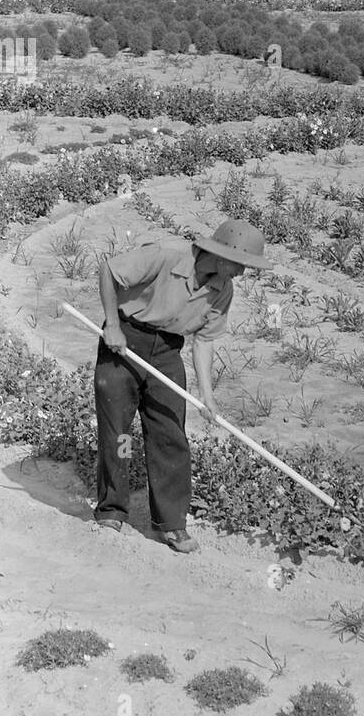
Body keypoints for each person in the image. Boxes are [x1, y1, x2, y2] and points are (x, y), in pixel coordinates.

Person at [93, 219, 267, 553]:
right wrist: (112, 326)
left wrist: (208, 396)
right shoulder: (165, 257)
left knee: (170, 433)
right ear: (219, 255)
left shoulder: (222, 290)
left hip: (167, 352)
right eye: (241, 264)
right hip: (125, 338)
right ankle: (112, 509)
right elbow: (109, 272)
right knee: (119, 433)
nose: (243, 273)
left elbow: (203, 341)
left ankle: (172, 523)